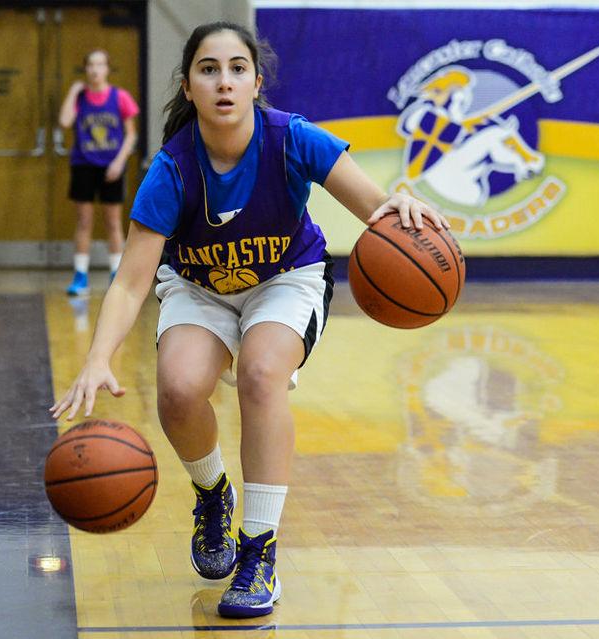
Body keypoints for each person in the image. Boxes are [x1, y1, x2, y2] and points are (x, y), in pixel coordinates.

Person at [50, 22, 449, 619]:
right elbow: (132, 280)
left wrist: (403, 203)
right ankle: (213, 492)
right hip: (199, 287)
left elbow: (377, 208)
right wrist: (97, 358)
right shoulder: (173, 168)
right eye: (208, 70)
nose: (224, 82)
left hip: (285, 280)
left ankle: (258, 551)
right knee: (180, 389)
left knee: (262, 374)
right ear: (188, 86)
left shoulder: (292, 138)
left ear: (257, 82)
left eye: (237, 68)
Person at [58, 49, 139, 295]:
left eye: (100, 64)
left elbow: (131, 134)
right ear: (85, 69)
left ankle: (116, 274)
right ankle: (80, 276)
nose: (95, 69)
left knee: (113, 222)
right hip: (83, 164)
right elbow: (64, 122)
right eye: (91, 64)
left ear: (107, 69)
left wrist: (119, 162)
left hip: (111, 165)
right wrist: (73, 91)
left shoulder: (119, 97)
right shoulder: (80, 97)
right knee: (84, 221)